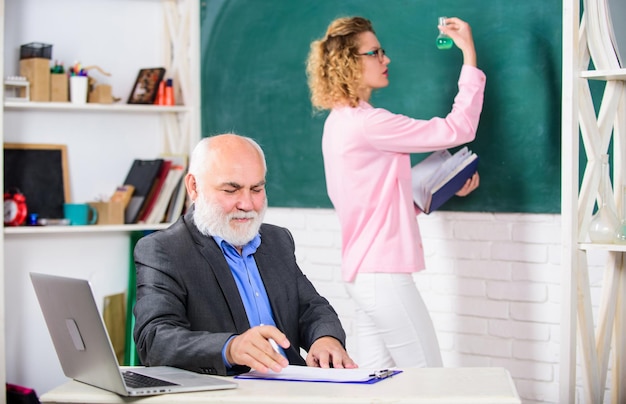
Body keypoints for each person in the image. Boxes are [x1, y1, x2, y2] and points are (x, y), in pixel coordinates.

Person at [305, 16, 486, 368]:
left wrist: (443, 185)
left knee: (378, 384)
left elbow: (374, 198)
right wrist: (469, 55)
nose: (385, 59)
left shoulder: (341, 122)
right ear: (348, 61)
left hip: (365, 275)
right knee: (429, 380)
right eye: (375, 52)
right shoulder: (369, 124)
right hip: (383, 276)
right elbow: (458, 128)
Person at [133, 134, 357, 376]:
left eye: (257, 189)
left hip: (293, 388)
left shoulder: (277, 241)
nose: (247, 204)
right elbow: (153, 339)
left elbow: (311, 308)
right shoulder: (163, 249)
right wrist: (230, 348)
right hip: (227, 392)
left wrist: (325, 338)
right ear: (194, 187)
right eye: (231, 190)